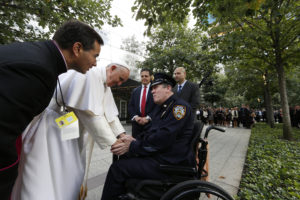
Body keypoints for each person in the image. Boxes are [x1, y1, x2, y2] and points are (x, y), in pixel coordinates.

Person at [0, 19, 104, 199]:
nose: (95, 63)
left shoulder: (41, 57)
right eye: (95, 56)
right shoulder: (38, 69)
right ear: (77, 48)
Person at [11, 63, 130, 200]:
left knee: (70, 171)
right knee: (50, 172)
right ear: (113, 68)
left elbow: (109, 113)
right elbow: (90, 114)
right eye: (120, 79)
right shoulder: (89, 73)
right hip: (53, 128)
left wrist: (122, 135)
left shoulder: (105, 84)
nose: (119, 84)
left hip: (71, 132)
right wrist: (114, 142)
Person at [101, 73, 195, 200]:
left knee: (117, 169)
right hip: (161, 155)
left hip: (169, 162)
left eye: (156, 87)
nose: (152, 91)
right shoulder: (162, 107)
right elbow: (150, 131)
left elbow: (163, 138)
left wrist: (133, 146)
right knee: (123, 156)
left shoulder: (179, 107)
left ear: (168, 88)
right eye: (152, 88)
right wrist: (134, 140)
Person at [128, 68, 156, 138]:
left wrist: (148, 118)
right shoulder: (135, 91)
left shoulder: (155, 90)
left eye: (146, 76)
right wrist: (136, 117)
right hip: (136, 126)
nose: (144, 78)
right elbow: (131, 106)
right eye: (142, 76)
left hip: (151, 124)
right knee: (136, 146)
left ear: (151, 77)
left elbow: (158, 106)